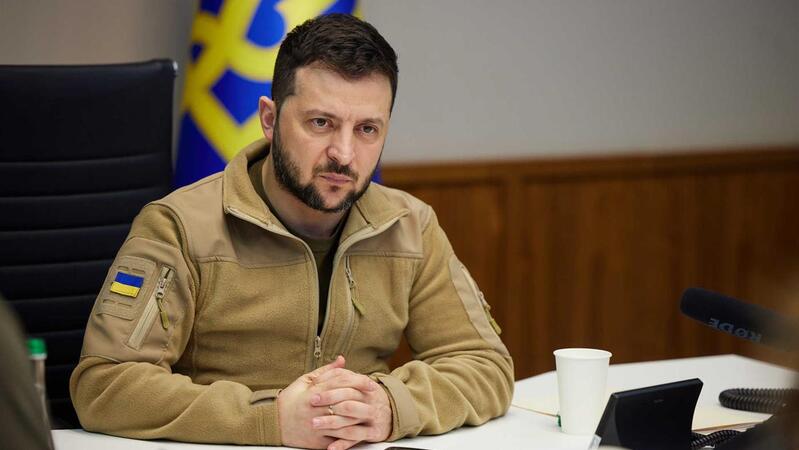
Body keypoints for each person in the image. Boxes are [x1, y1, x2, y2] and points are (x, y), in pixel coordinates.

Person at [70, 14, 513, 450]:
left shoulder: (410, 226)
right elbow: (105, 385)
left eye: (367, 129)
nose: (344, 154)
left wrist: (391, 406)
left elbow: (485, 365)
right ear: (270, 118)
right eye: (321, 123)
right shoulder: (179, 226)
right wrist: (271, 418)